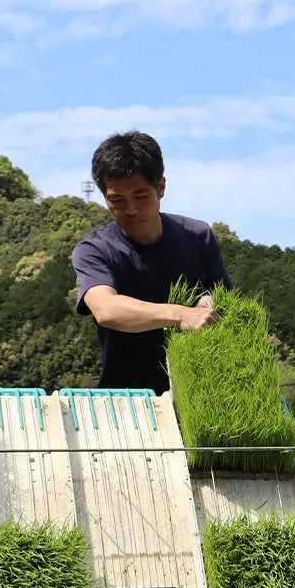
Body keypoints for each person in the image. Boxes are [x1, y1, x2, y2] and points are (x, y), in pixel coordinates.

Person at [71, 131, 232, 393]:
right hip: (126, 397)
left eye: (141, 196)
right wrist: (182, 314)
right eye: (116, 200)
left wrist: (211, 303)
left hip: (200, 391)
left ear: (161, 187)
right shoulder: (94, 250)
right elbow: (106, 310)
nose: (131, 209)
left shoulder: (197, 236)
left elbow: (224, 299)